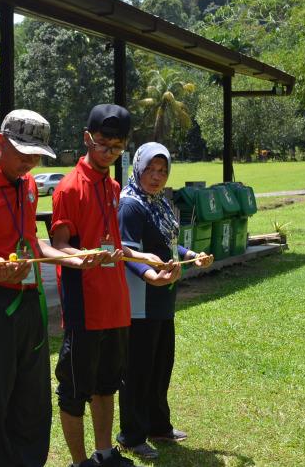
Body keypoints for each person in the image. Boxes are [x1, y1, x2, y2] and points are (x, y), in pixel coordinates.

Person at [0, 109, 105, 467]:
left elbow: (31, 244)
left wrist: (72, 258)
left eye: (37, 156)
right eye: (23, 154)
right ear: (0, 141)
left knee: (32, 401)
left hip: (27, 304)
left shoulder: (29, 185)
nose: (30, 163)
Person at [51, 105, 166, 467]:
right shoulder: (69, 188)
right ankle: (80, 461)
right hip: (85, 306)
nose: (108, 153)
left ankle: (103, 453)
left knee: (107, 385)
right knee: (74, 391)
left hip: (116, 305)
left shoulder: (114, 186)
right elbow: (58, 245)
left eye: (117, 148)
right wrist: (82, 256)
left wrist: (149, 267)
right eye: (102, 145)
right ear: (87, 138)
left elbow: (118, 246)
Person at [117, 142, 213, 460]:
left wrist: (192, 256)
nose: (156, 176)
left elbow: (170, 245)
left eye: (162, 170)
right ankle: (132, 435)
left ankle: (158, 426)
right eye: (151, 170)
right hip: (140, 301)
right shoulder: (130, 204)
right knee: (138, 371)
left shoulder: (159, 202)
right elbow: (127, 252)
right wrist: (150, 276)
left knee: (160, 367)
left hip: (162, 299)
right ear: (138, 168)